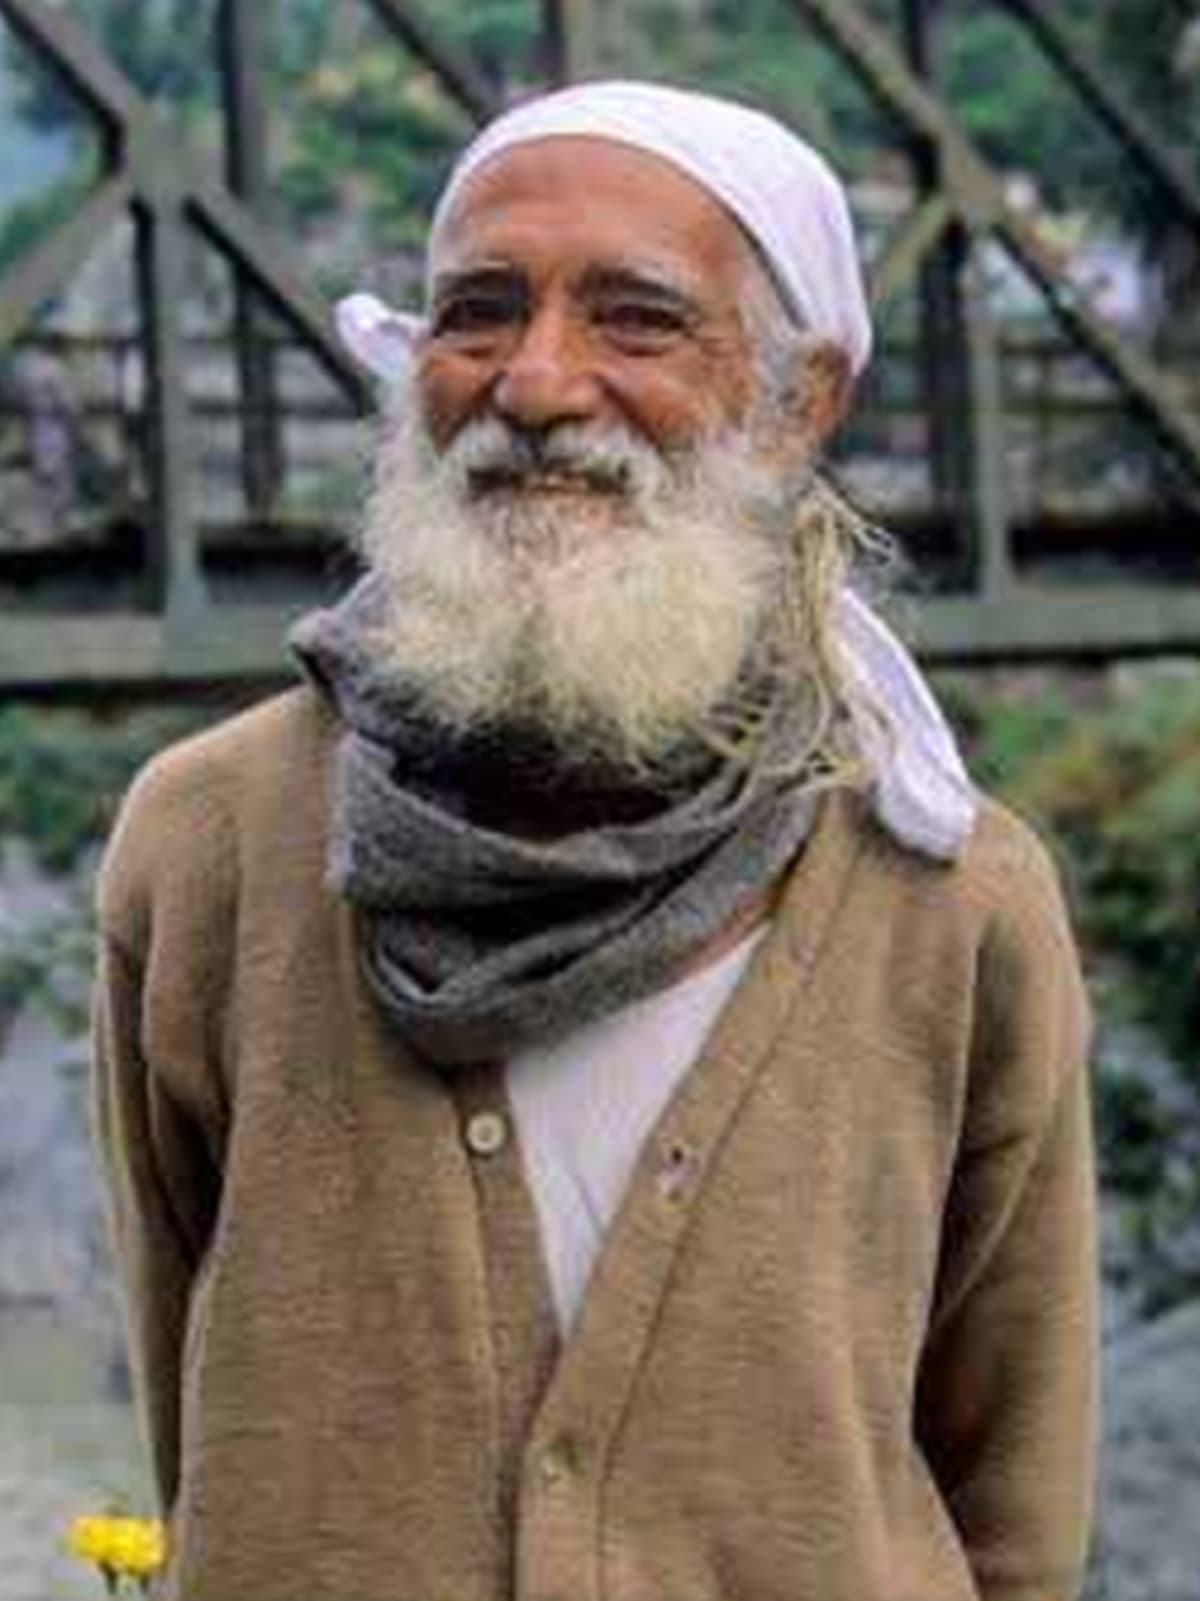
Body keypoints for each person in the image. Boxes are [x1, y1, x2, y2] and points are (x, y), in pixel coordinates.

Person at [92, 80, 1099, 1601]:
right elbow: (202, 1414)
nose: (539, 383)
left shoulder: (949, 895)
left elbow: (1014, 1503)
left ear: (800, 398)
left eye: (635, 320)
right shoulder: (213, 843)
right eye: (477, 312)